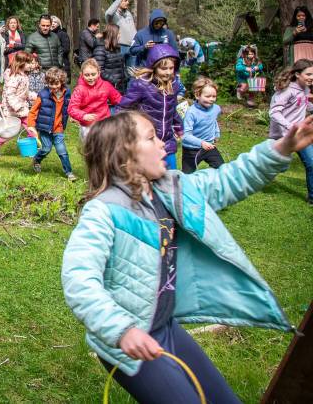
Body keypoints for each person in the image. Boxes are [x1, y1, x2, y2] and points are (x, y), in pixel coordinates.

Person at [61, 110, 312, 404]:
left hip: (166, 327)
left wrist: (281, 149)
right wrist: (122, 330)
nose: (164, 144)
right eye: (151, 138)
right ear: (124, 157)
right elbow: (79, 279)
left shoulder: (174, 188)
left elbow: (228, 180)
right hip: (129, 342)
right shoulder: (104, 211)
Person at [116, 44, 184, 169]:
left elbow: (172, 110)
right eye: (164, 68)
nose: (168, 72)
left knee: (172, 178)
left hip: (167, 142)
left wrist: (179, 128)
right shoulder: (141, 85)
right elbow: (122, 109)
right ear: (154, 67)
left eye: (171, 68)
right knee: (148, 179)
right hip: (147, 141)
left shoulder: (173, 86)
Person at [269, 59, 313, 203]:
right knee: (275, 164)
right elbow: (274, 112)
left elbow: (303, 105)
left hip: (298, 134)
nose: (312, 77)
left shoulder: (305, 89)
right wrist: (290, 126)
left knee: (312, 162)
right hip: (282, 134)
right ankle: (251, 177)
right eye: (309, 74)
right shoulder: (287, 90)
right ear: (298, 74)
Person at [27, 67, 76, 181]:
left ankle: (69, 172)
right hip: (45, 128)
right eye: (51, 84)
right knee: (46, 149)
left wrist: (73, 116)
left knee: (62, 151)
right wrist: (31, 125)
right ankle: (37, 160)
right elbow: (33, 111)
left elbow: (69, 106)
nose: (54, 87)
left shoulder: (67, 92)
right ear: (47, 82)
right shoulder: (43, 95)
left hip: (58, 127)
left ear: (62, 82)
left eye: (56, 84)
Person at [0, 51, 32, 158]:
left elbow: (23, 93)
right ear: (21, 63)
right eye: (29, 63)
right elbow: (9, 94)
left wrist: (34, 96)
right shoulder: (14, 77)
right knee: (10, 132)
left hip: (22, 110)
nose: (31, 65)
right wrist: (16, 106)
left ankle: (32, 150)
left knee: (31, 127)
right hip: (13, 110)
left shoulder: (24, 76)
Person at [68, 59, 121, 143]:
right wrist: (83, 116)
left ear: (99, 73)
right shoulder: (79, 89)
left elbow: (118, 99)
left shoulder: (106, 85)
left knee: (105, 148)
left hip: (104, 124)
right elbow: (72, 108)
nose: (90, 78)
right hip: (87, 126)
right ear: (81, 75)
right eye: (87, 75)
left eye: (93, 74)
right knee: (90, 150)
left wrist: (132, 102)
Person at [182, 77, 224, 174]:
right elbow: (186, 136)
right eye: (208, 96)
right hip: (191, 149)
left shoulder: (216, 108)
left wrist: (217, 133)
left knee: (221, 168)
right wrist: (201, 143)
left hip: (209, 146)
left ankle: (209, 184)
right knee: (187, 175)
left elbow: (213, 121)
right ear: (197, 95)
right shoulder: (191, 112)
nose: (211, 99)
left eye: (214, 96)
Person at [105, 0, 138, 67]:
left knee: (131, 72)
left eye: (127, 0)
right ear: (118, 1)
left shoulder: (128, 13)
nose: (128, 2)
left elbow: (132, 29)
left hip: (132, 47)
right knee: (120, 71)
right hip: (120, 47)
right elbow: (108, 13)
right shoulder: (112, 15)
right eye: (125, 0)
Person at [95, 23, 127, 93]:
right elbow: (99, 70)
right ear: (113, 35)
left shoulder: (116, 48)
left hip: (120, 86)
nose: (120, 36)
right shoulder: (100, 49)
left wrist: (125, 77)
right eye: (118, 34)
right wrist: (114, 81)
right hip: (108, 88)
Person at [234, 44, 265, 108]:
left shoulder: (255, 60)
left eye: (252, 54)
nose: (251, 55)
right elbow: (237, 67)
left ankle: (250, 101)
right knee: (244, 88)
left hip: (252, 77)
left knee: (253, 89)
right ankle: (240, 90)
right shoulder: (241, 60)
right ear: (245, 54)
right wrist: (245, 68)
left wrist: (258, 67)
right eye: (249, 54)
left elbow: (261, 66)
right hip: (242, 78)